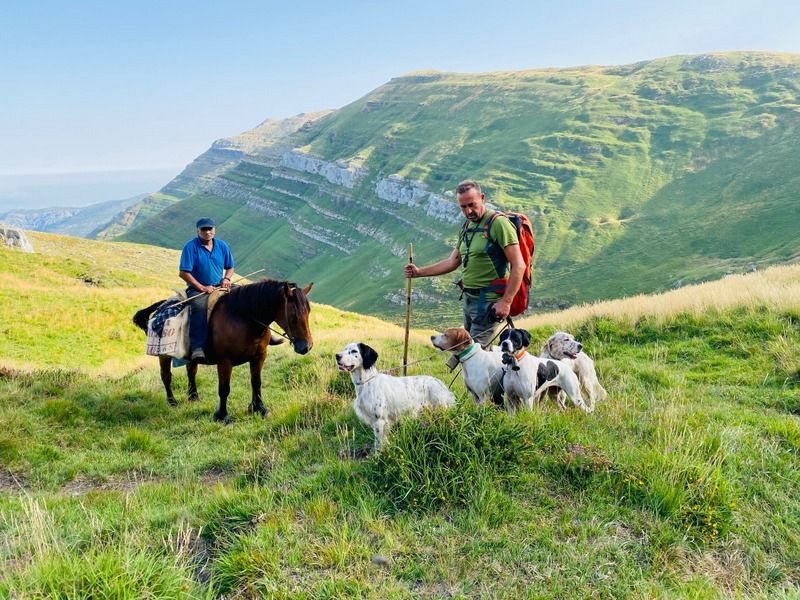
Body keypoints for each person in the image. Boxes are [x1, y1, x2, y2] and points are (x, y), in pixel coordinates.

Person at [404, 180, 525, 365]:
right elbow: (452, 262)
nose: (468, 211)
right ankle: (498, 386)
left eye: (472, 205)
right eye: (463, 207)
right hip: (469, 301)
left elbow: (519, 265)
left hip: (488, 305)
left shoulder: (498, 224)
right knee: (475, 354)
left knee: (472, 357)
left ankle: (487, 391)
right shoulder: (467, 227)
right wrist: (419, 272)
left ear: (482, 198)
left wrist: (506, 302)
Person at [179, 217, 235, 361]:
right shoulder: (190, 247)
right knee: (198, 306)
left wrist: (227, 279)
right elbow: (184, 272)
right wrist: (202, 287)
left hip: (220, 285)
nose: (207, 232)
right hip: (198, 289)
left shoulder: (222, 246)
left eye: (210, 229)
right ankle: (198, 347)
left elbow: (230, 267)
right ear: (198, 231)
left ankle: (262, 334)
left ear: (214, 230)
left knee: (246, 296)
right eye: (204, 229)